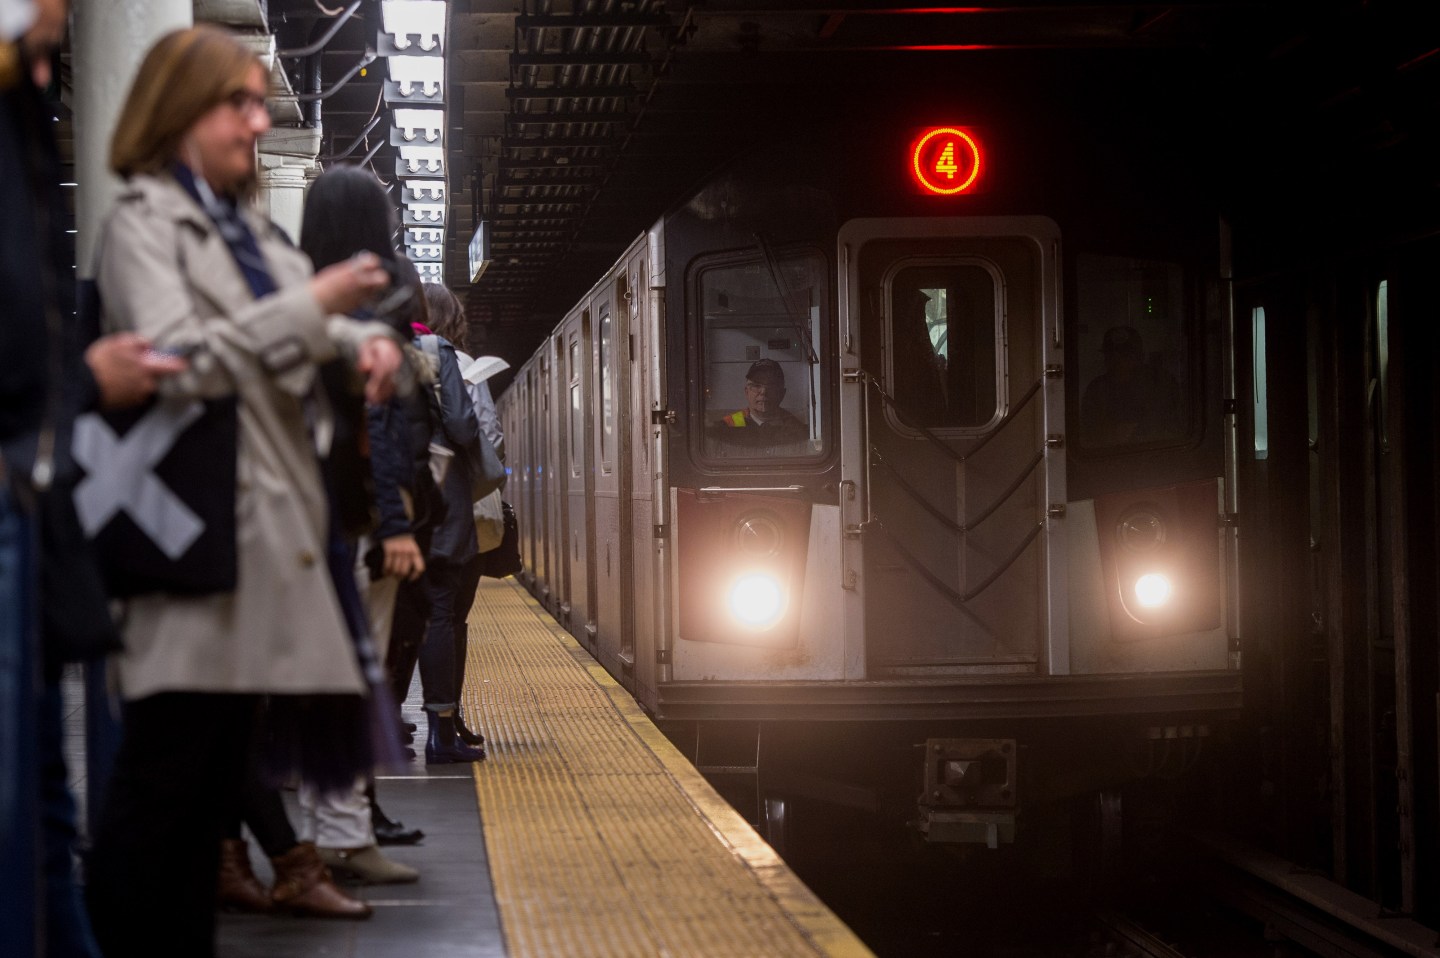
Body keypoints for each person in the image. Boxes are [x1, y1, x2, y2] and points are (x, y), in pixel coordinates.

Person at [79, 26, 403, 958]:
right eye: (240, 103)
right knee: (160, 802)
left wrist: (357, 342)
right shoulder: (145, 221)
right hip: (195, 544)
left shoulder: (249, 229)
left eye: (263, 103)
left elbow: (278, 333)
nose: (259, 122)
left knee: (209, 796)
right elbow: (174, 360)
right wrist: (318, 311)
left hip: (263, 546)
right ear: (180, 111)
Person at [3, 4, 188, 957]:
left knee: (42, 805)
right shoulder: (144, 231)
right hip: (20, 489)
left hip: (35, 496)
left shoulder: (24, 111)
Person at [290, 165, 426, 884]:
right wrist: (397, 520)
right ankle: (341, 834)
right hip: (359, 520)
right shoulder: (373, 304)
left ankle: (330, 831)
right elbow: (379, 424)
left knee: (325, 675)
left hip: (312, 515)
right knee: (350, 672)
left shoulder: (302, 300)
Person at [1080, 325, 1184, 447]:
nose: (1117, 361)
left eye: (1125, 355)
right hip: (1111, 456)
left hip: (1156, 453)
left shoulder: (1161, 382)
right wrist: (1112, 432)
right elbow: (1088, 431)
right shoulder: (1097, 389)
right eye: (1111, 355)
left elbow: (1177, 425)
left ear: (1139, 356)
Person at [714, 358, 808, 445]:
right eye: (756, 385)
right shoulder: (727, 425)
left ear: (782, 394)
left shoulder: (796, 429)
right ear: (747, 392)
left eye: (771, 386)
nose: (763, 392)